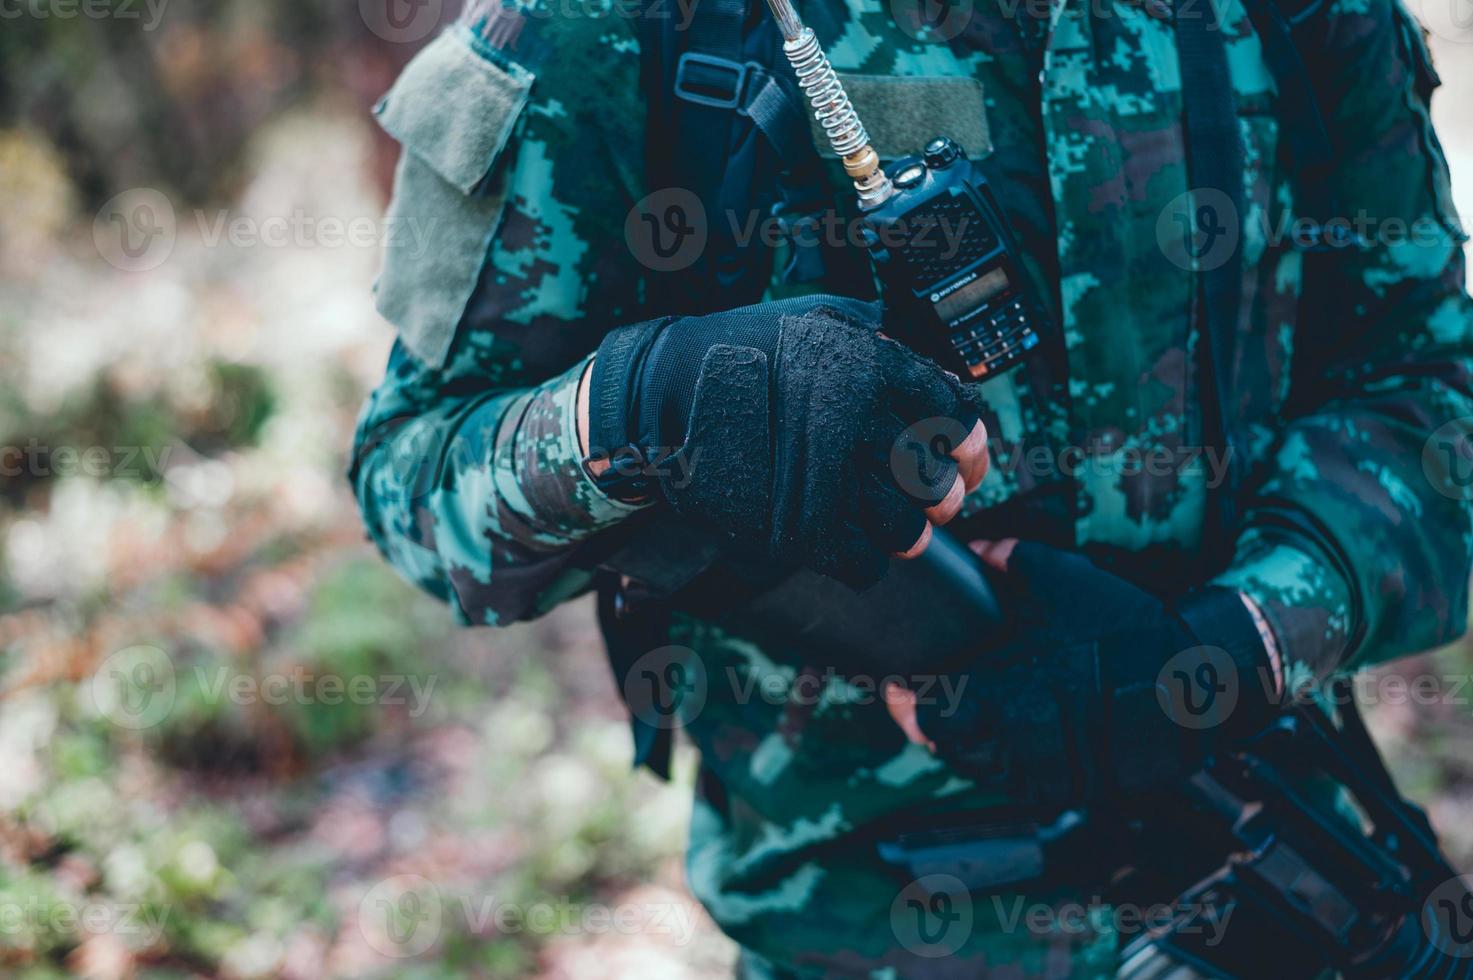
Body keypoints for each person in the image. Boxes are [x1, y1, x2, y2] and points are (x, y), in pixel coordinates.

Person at [350, 0, 1473, 971]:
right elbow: (414, 466)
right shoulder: (621, 23)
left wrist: (1248, 640)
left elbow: (1431, 387)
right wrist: (635, 409)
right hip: (863, 929)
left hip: (1287, 876)